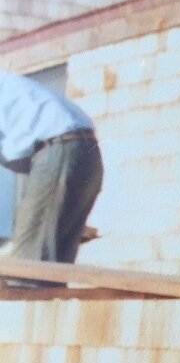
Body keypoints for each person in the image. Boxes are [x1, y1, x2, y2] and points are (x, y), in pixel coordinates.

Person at [0, 70, 104, 264]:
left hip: (58, 151)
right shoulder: (10, 86)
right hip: (84, 152)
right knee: (53, 265)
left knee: (27, 270)